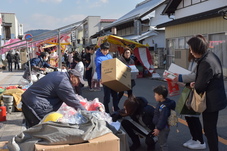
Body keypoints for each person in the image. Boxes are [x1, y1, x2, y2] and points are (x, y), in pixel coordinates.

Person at [187, 35, 227, 151]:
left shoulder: (205, 62)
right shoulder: (211, 55)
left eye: (191, 49)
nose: (190, 51)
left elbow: (200, 86)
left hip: (211, 102)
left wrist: (194, 85)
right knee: (211, 129)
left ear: (196, 49)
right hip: (217, 98)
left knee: (209, 130)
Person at [21, 69, 86, 128]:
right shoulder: (64, 82)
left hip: (30, 100)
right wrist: (87, 113)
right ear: (72, 76)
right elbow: (73, 101)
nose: (77, 84)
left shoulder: (59, 75)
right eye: (78, 80)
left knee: (32, 129)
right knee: (39, 130)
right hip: (34, 105)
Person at [173, 52, 206, 149]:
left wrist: (180, 78)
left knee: (194, 116)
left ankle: (200, 141)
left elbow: (195, 77)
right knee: (188, 116)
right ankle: (194, 138)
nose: (190, 51)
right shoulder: (194, 61)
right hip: (188, 90)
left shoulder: (202, 61)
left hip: (194, 92)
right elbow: (190, 76)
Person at [95, 42, 118, 113]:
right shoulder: (98, 58)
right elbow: (98, 69)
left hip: (112, 78)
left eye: (107, 50)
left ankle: (116, 108)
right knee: (107, 96)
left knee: (115, 95)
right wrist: (100, 78)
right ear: (101, 50)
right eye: (104, 50)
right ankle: (106, 111)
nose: (105, 51)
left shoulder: (109, 56)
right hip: (105, 79)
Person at [152, 85, 176, 151]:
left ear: (161, 96)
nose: (154, 96)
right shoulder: (162, 103)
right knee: (161, 139)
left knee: (163, 143)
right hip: (163, 126)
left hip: (162, 127)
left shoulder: (163, 107)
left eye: (155, 95)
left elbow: (162, 118)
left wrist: (158, 128)